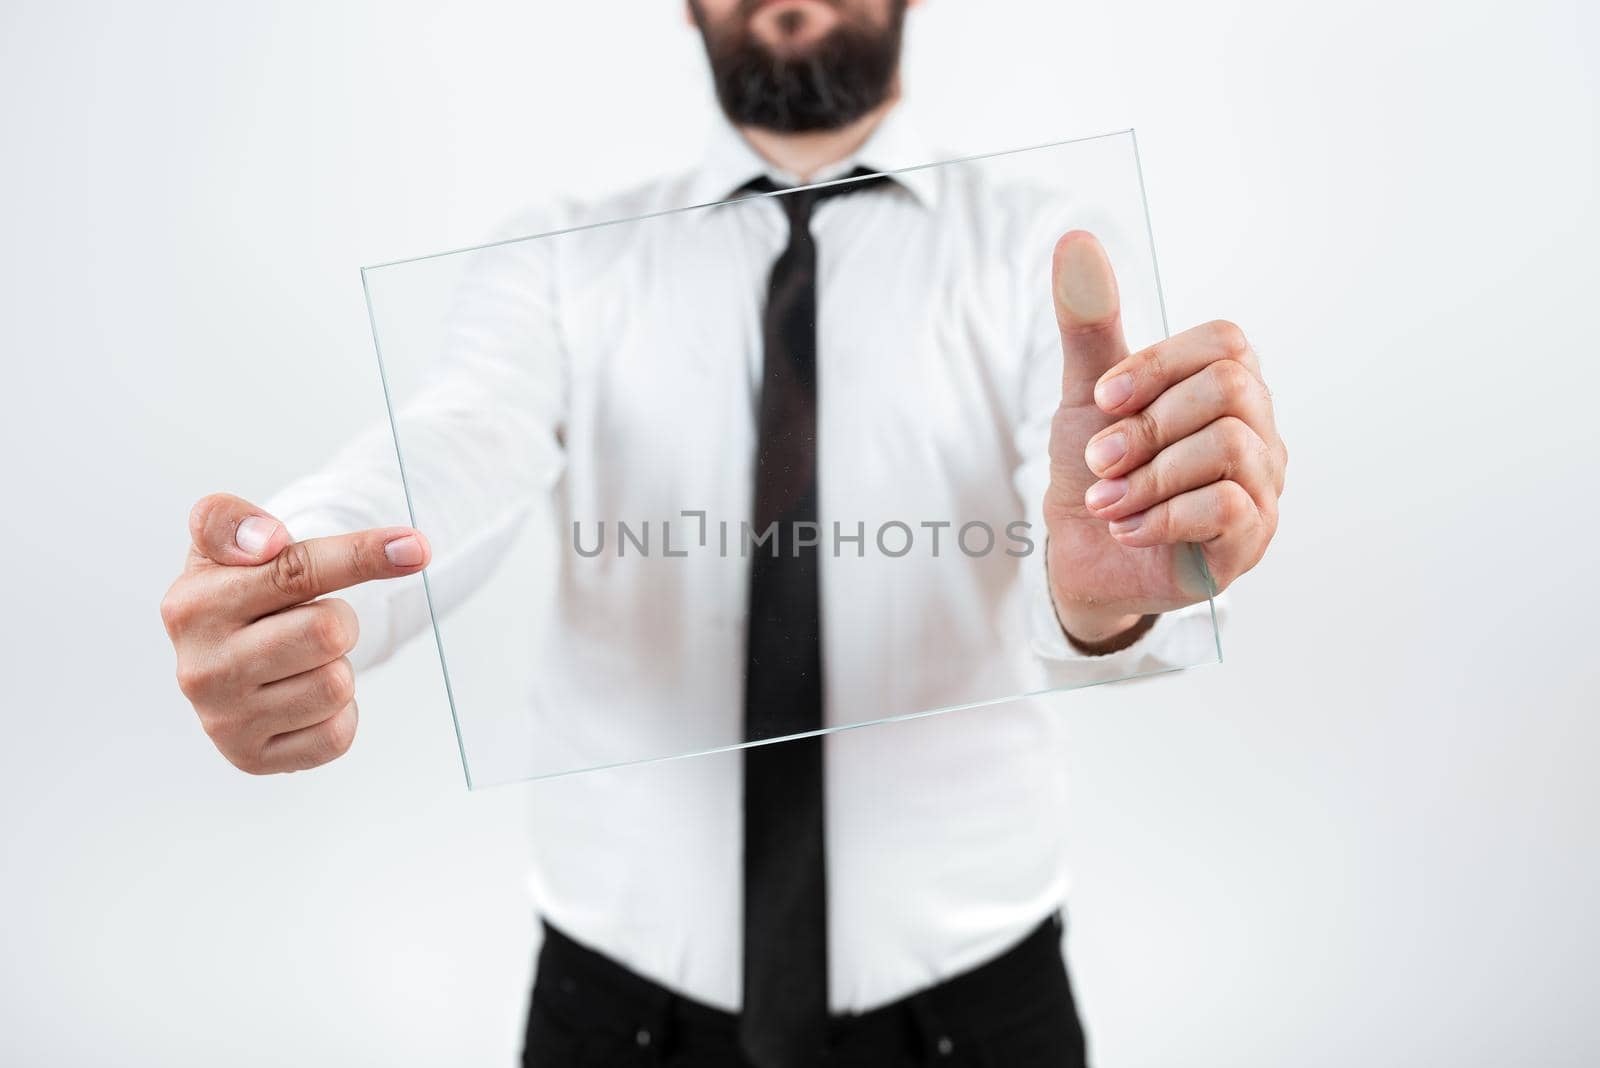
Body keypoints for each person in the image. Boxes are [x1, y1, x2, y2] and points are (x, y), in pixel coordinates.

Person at [159, 1, 1287, 1064]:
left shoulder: (1047, 249)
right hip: (613, 1008)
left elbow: (1094, 551)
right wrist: (297, 579)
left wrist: (1108, 585)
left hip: (980, 1007)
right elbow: (458, 439)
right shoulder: (562, 256)